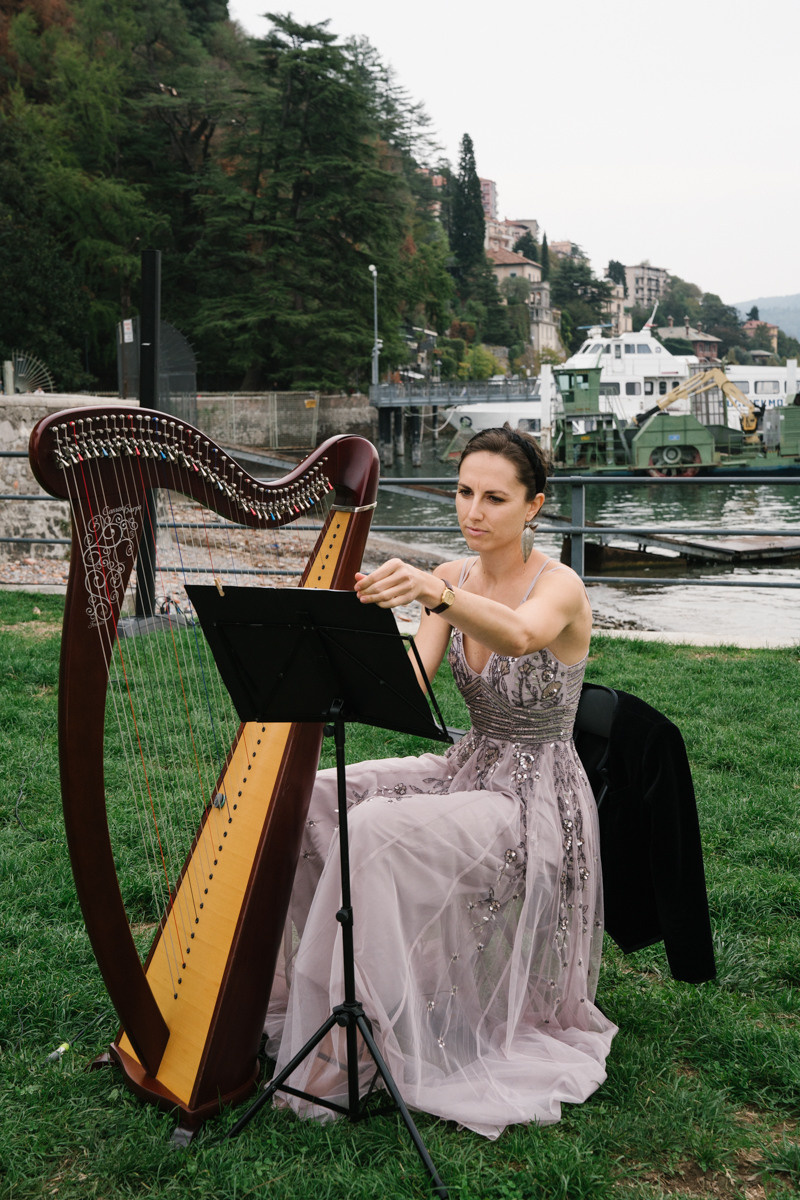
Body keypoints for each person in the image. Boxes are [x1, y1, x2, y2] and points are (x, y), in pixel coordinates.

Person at [264, 425, 617, 1139]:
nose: (473, 511)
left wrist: (433, 589)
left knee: (373, 829)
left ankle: (352, 1040)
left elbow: (520, 634)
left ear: (534, 506)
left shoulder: (561, 586)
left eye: (495, 498)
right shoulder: (455, 576)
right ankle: (298, 999)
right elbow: (414, 680)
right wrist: (347, 643)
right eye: (463, 492)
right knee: (316, 795)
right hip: (469, 765)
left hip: (536, 798)